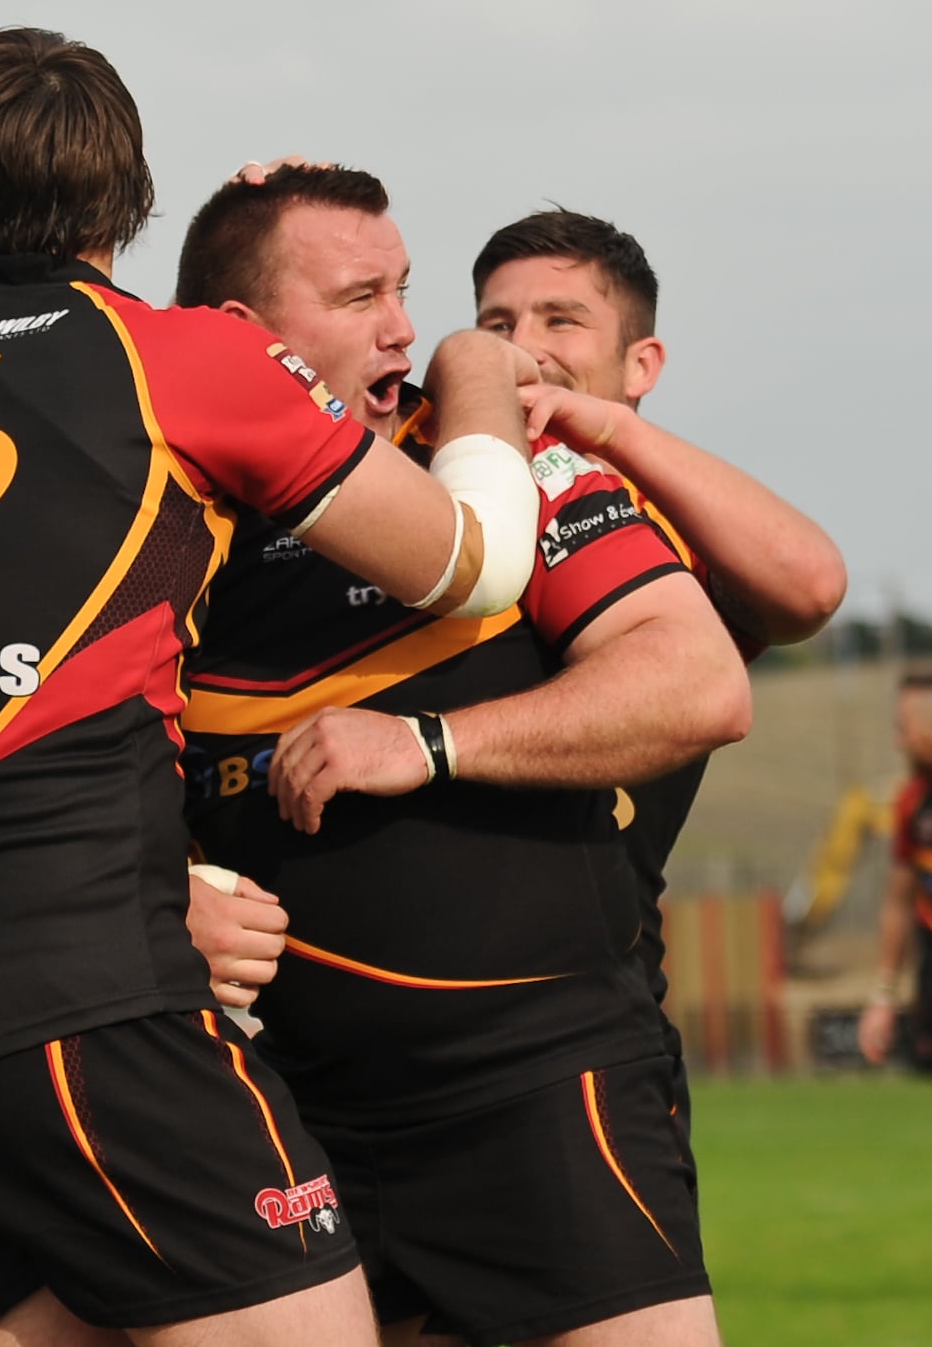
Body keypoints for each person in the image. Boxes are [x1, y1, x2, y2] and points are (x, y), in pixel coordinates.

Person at [0, 29, 546, 1347]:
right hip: (88, 1011)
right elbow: (474, 566)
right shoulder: (181, 357)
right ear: (132, 203)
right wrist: (478, 376)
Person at [177, 168, 757, 1347]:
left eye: (401, 289)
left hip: (539, 1088)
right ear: (243, 337)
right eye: (357, 296)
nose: (403, 327)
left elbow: (700, 680)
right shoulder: (174, 519)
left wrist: (430, 741)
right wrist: (162, 894)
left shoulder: (497, 463)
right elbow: (74, 767)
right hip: (293, 1117)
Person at [270, 206, 845, 1145]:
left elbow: (810, 584)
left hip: (582, 1019)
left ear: (641, 366)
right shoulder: (437, 502)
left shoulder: (658, 532)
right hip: (367, 1025)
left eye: (559, 321)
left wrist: (606, 430)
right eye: (494, 326)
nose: (519, 349)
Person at [857, 672, 932, 1071]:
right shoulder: (911, 803)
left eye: (906, 727)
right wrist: (884, 996)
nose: (898, 741)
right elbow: (899, 901)